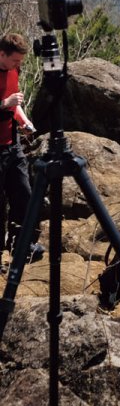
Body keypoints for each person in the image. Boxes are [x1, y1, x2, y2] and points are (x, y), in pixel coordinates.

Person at [0, 32, 44, 265]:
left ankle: (21, 245)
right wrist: (5, 104)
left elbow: (14, 105)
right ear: (2, 54)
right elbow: (7, 102)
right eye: (15, 60)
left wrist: (24, 122)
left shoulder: (14, 70)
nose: (18, 65)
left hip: (11, 142)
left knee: (24, 194)